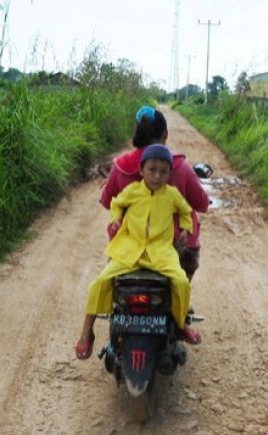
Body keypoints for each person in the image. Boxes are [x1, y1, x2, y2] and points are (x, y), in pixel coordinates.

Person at [76, 144, 201, 360]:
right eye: (152, 169)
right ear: (142, 170)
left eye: (163, 171)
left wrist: (186, 229)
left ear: (169, 174)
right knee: (100, 282)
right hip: (129, 250)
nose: (157, 175)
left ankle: (181, 325)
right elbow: (116, 204)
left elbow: (186, 209)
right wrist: (115, 219)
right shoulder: (132, 191)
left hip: (161, 252)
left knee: (181, 283)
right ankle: (87, 331)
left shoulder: (172, 195)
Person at [100, 106, 209, 283]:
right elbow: (202, 204)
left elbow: (106, 202)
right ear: (165, 134)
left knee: (110, 282)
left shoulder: (120, 166)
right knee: (186, 268)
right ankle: (182, 302)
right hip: (174, 248)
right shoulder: (179, 166)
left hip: (129, 246)